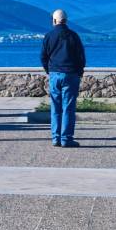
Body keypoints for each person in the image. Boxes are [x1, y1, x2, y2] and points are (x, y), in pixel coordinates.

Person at [41, 9, 86, 148]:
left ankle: (56, 138)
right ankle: (66, 139)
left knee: (55, 107)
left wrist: (49, 71)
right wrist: (79, 72)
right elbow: (81, 57)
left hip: (55, 74)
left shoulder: (49, 36)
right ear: (66, 20)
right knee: (68, 107)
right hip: (71, 74)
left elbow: (43, 57)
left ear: (54, 21)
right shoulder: (74, 36)